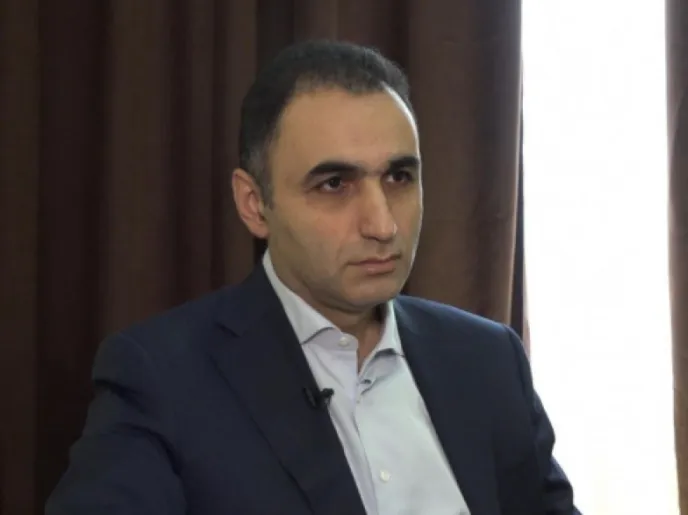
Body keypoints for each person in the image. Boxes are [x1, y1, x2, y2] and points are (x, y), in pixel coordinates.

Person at [47, 39, 580, 515]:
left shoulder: (487, 359)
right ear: (254, 204)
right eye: (334, 184)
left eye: (399, 177)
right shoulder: (163, 377)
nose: (383, 225)